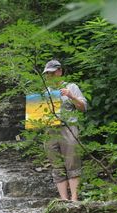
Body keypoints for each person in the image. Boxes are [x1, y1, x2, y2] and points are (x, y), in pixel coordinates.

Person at [42, 60, 88, 201]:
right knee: (56, 165)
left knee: (72, 161)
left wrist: (71, 96)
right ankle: (64, 199)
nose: (49, 76)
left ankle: (74, 199)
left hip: (68, 128)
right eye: (47, 74)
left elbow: (83, 107)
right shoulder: (45, 92)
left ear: (59, 71)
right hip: (50, 130)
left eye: (51, 72)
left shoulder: (71, 87)